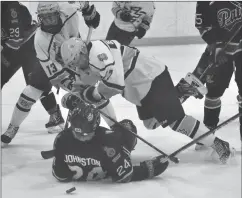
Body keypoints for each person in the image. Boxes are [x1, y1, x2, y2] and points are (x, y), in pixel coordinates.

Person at [59, 37, 236, 164]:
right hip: (139, 87)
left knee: (175, 121)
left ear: (82, 52)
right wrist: (76, 94)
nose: (76, 66)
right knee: (151, 123)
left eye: (76, 61)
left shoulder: (98, 54)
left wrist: (89, 95)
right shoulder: (87, 57)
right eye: (73, 64)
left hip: (151, 78)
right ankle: (181, 91)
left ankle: (218, 144)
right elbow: (87, 85)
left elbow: (113, 85)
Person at [52, 98, 169, 182]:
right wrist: (148, 169)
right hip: (110, 158)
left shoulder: (61, 138)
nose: (81, 135)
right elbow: (124, 176)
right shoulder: (108, 141)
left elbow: (60, 175)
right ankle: (124, 147)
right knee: (127, 126)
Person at [1, 1, 64, 147]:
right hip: (11, 49)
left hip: (29, 48)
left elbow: (15, 42)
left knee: (37, 85)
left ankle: (56, 116)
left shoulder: (13, 11)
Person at [182, 1, 242, 149]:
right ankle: (208, 132)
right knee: (213, 92)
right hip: (220, 50)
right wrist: (216, 45)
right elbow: (202, 24)